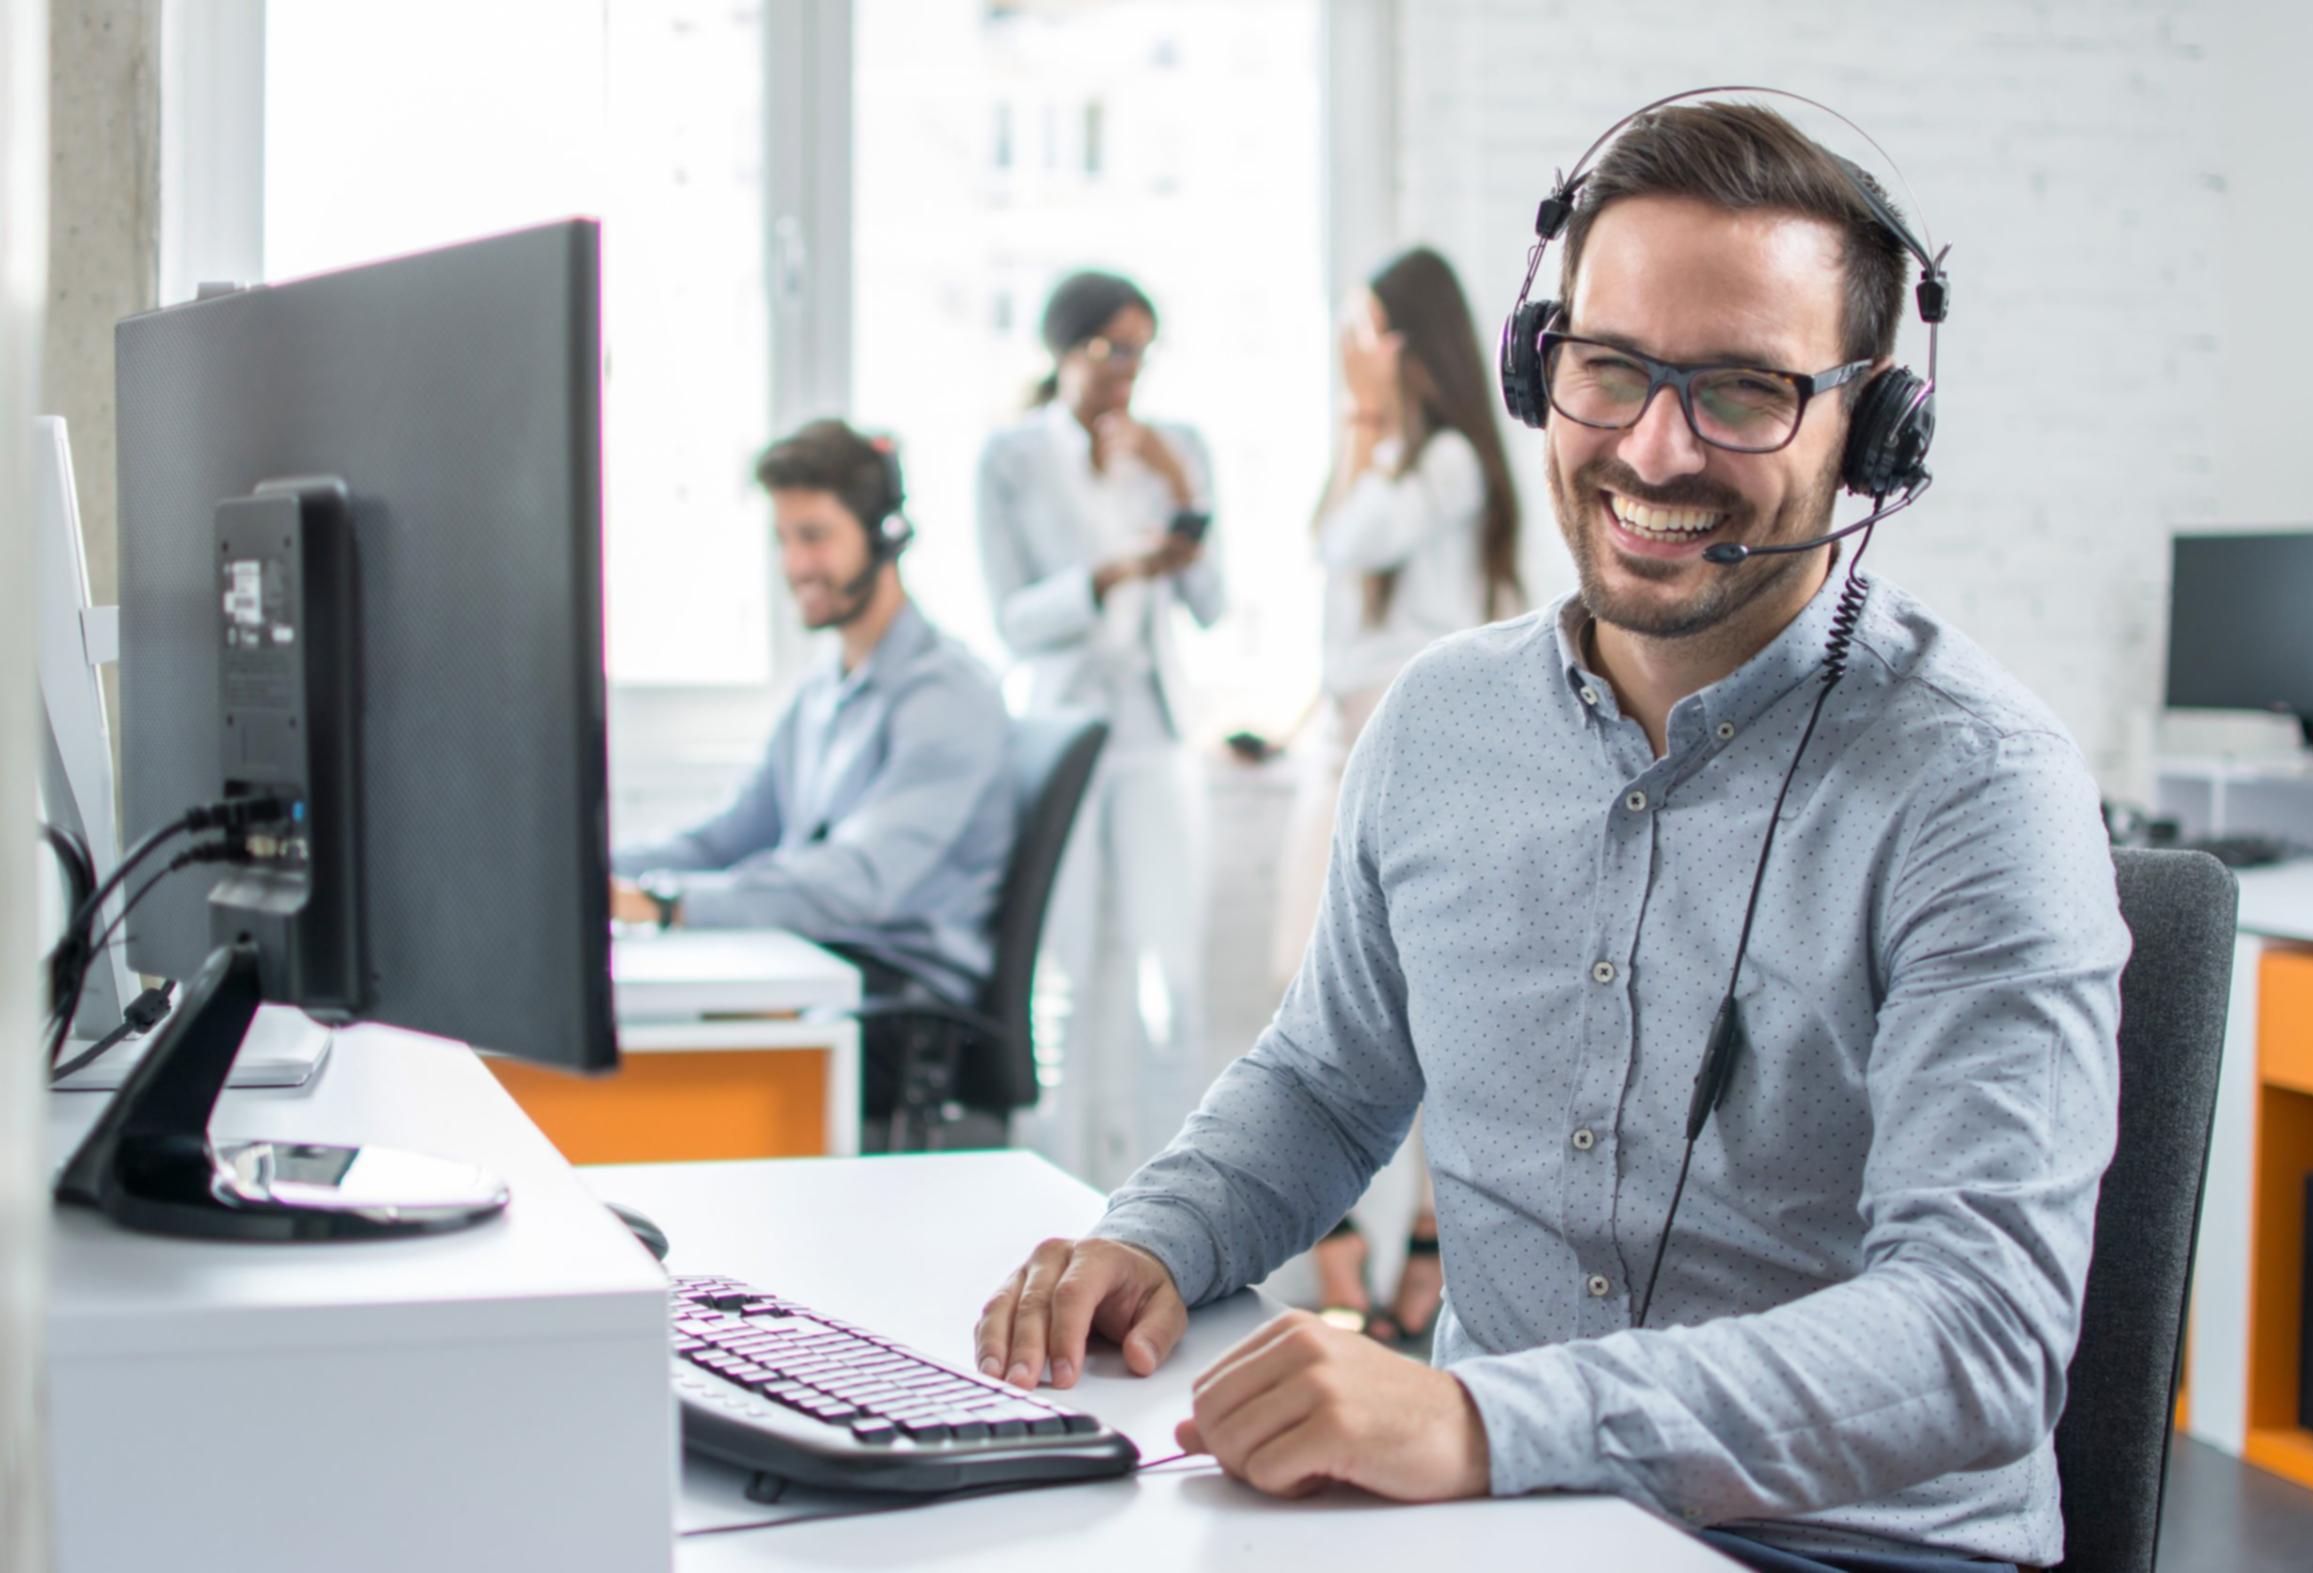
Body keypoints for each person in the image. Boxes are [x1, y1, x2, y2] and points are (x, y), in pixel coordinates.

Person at [972, 99, 2127, 1573]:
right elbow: (1325, 1083)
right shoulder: (1439, 722)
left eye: (1744, 390)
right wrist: (1154, 1237)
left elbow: (1981, 1334)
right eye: (1610, 368)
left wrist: (1482, 1421)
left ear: (1872, 430)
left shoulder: (1978, 787)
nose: (1656, 446)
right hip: (1496, 1525)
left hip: (1844, 1547)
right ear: (1538, 367)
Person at [612, 419, 1014, 1127]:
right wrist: (592, 875)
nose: (795, 564)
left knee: (654, 1061)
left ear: (886, 534)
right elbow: (723, 840)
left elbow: (857, 882)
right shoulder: (822, 691)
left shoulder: (947, 697)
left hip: (900, 1012)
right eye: (784, 538)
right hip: (819, 974)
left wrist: (666, 904)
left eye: (815, 536)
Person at [1272, 246, 1522, 1346]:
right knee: (1303, 990)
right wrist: (1360, 426)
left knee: (1425, 1005)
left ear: (1412, 344)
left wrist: (1367, 421)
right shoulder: (1386, 457)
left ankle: (1422, 1239)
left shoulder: (1452, 463)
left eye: (1368, 332)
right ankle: (1339, 1245)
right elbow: (1330, 552)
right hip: (1338, 746)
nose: (1354, 354)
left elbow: (1352, 538)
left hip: (1418, 756)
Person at [975, 270, 1225, 1190]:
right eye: (1111, 350)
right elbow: (1013, 620)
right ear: (1063, 350)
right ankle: (1049, 1199)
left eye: (1141, 352)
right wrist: (1109, 574)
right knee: (1062, 983)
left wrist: (1178, 485)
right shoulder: (1011, 457)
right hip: (1062, 733)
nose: (1128, 370)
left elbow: (1211, 601)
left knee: (1171, 987)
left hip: (1153, 732)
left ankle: (1179, 1208)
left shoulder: (1176, 447)